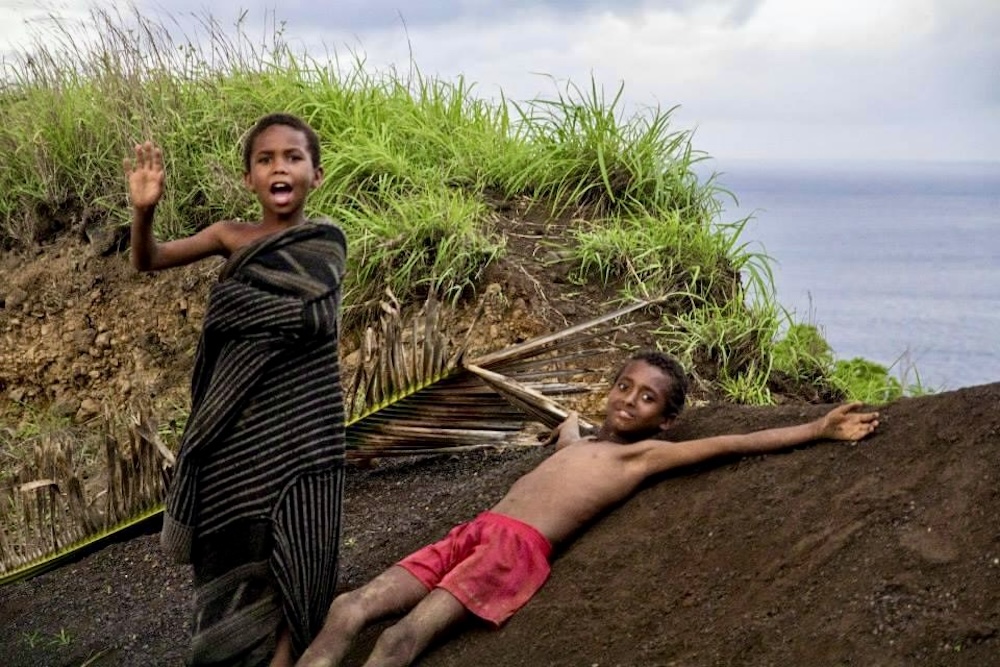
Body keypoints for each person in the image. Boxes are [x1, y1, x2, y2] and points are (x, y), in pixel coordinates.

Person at [295, 351, 880, 667]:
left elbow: (729, 444)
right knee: (350, 606)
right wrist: (570, 426)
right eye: (625, 386)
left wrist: (814, 428)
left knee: (399, 639)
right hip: (471, 533)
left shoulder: (644, 456)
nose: (629, 400)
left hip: (512, 549)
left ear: (665, 420)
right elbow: (571, 438)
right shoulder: (588, 443)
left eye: (647, 398)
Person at [125, 112, 348, 666]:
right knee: (234, 550)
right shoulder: (230, 236)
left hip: (304, 434)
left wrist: (246, 311)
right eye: (265, 159)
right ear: (249, 177)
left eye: (293, 157)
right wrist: (144, 211)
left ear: (315, 175)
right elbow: (148, 260)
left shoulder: (324, 246)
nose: (280, 167)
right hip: (234, 438)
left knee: (300, 555)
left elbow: (312, 321)